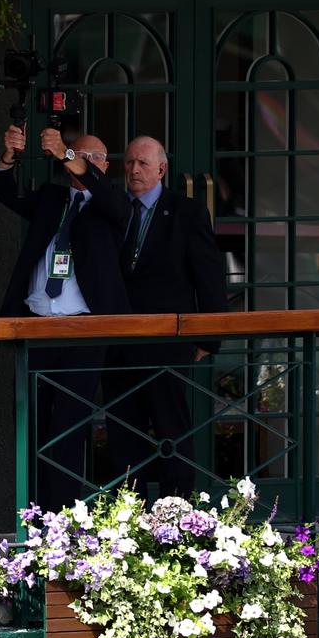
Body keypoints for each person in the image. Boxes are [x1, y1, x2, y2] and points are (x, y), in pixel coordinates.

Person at [0, 125, 129, 511]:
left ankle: (61, 520)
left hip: (83, 332)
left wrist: (68, 153)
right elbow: (2, 190)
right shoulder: (52, 197)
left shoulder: (111, 204)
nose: (87, 162)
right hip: (36, 326)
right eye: (83, 155)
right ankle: (33, 517)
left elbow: (111, 201)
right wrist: (8, 157)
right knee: (33, 426)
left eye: (94, 158)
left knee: (67, 429)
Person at [79, 135, 228, 498]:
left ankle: (177, 516)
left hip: (167, 345)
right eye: (129, 162)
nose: (134, 170)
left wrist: (208, 338)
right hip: (118, 345)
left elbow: (208, 277)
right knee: (122, 436)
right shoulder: (109, 208)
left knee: (171, 432)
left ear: (161, 169)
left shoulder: (187, 212)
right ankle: (129, 512)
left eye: (143, 163)